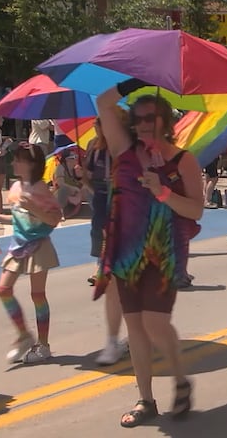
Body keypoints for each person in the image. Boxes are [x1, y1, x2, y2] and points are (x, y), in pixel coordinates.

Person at [94, 86, 202, 428]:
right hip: (127, 252)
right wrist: (134, 79)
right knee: (135, 326)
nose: (142, 125)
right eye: (137, 118)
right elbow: (103, 103)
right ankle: (146, 399)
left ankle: (181, 379)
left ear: (166, 121)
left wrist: (163, 191)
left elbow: (196, 209)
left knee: (155, 322)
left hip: (165, 253)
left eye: (150, 118)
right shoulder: (123, 150)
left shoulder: (183, 160)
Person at [0, 144, 63, 364]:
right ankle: (24, 335)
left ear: (32, 165)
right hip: (18, 245)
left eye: (18, 160)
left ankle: (43, 345)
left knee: (37, 295)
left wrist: (33, 207)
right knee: (3, 289)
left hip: (38, 245)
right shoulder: (16, 187)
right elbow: (18, 219)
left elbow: (54, 219)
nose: (13, 163)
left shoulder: (41, 189)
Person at [77, 119, 128, 365]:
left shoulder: (120, 147)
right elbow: (87, 175)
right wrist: (84, 178)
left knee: (120, 273)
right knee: (98, 234)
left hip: (118, 200)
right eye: (97, 127)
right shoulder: (93, 147)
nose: (100, 130)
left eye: (103, 126)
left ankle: (106, 267)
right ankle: (101, 265)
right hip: (100, 199)